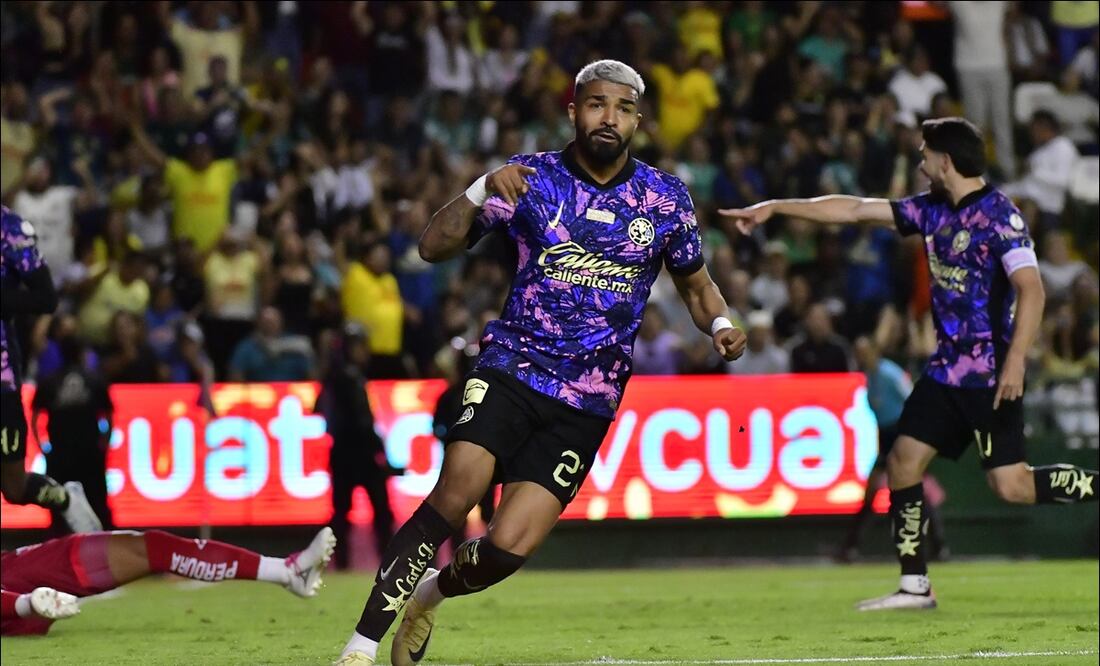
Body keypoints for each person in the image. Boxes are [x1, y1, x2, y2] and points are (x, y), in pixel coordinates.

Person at [335, 59, 747, 665]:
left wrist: (721, 323)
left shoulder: (664, 198)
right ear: (574, 111)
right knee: (454, 494)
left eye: (624, 109)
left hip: (588, 401)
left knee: (506, 548)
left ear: (639, 120)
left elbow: (696, 285)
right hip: (511, 369)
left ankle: (431, 594)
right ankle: (360, 647)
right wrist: (479, 188)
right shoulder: (529, 180)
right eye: (598, 104)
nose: (610, 118)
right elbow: (431, 246)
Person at [720, 117, 1099, 611]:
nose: (920, 163)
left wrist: (1016, 362)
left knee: (1012, 486)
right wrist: (776, 207)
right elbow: (854, 209)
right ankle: (915, 584)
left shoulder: (1000, 217)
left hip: (989, 375)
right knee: (901, 463)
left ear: (945, 161)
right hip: (944, 373)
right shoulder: (930, 211)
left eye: (924, 155)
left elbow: (1032, 289)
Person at [1, 527, 335, 636]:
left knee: (156, 547)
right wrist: (27, 604)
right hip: (21, 583)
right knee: (154, 549)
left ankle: (286, 573)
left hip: (24, 564)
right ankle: (288, 573)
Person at [0, 206, 101, 534]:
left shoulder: (9, 229)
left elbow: (46, 298)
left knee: (14, 489)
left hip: (1, 380)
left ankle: (64, 498)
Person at [837, 336, 948, 563]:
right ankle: (851, 545)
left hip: (901, 433)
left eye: (863, 352)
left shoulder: (888, 374)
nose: (860, 357)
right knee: (876, 491)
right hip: (886, 437)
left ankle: (939, 544)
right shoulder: (870, 377)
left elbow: (912, 399)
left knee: (913, 486)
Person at [315, 323, 400, 570]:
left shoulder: (333, 378)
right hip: (358, 454)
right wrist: (380, 452)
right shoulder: (349, 378)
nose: (365, 352)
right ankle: (389, 565)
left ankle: (341, 563)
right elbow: (362, 421)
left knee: (341, 513)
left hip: (341, 453)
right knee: (381, 512)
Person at [31, 333, 115, 532]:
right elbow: (110, 414)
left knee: (59, 504)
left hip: (60, 453)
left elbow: (34, 418)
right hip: (90, 452)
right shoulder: (94, 380)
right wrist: (105, 442)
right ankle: (105, 547)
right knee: (97, 503)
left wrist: (43, 447)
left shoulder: (49, 382)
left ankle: (60, 548)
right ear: (81, 353)